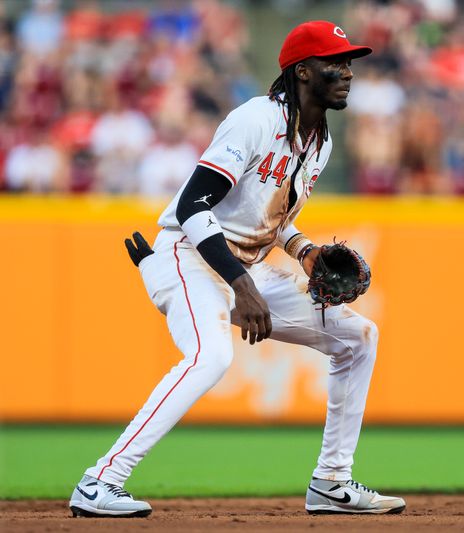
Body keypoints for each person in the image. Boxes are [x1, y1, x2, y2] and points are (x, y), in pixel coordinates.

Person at [68, 20, 406, 517]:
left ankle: (332, 482)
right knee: (211, 358)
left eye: (349, 62)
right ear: (303, 72)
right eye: (336, 62)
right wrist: (243, 287)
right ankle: (99, 481)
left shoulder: (320, 142)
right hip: (187, 255)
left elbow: (273, 219)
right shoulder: (254, 120)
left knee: (358, 337)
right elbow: (193, 206)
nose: (347, 72)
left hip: (240, 266)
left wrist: (304, 250)